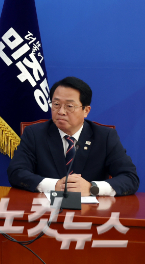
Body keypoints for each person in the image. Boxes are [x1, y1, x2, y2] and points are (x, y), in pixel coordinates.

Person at [8, 76, 139, 196]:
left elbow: (130, 178)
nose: (61, 111)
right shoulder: (34, 133)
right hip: (45, 208)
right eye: (56, 104)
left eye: (69, 106)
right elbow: (16, 172)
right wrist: (54, 185)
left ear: (86, 110)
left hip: (90, 210)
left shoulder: (104, 137)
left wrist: (92, 188)